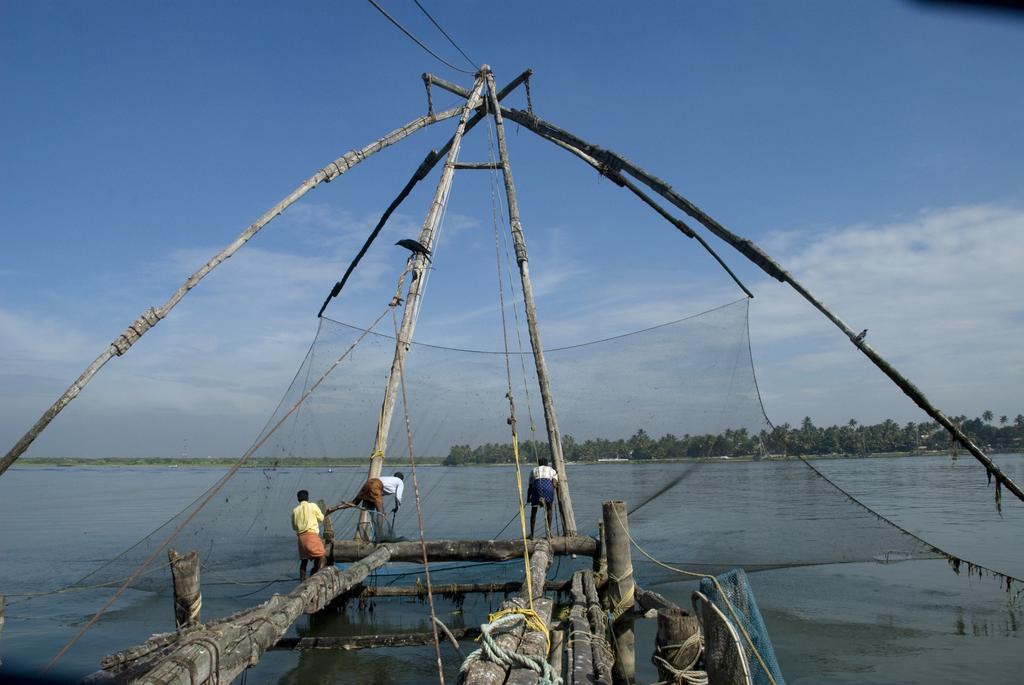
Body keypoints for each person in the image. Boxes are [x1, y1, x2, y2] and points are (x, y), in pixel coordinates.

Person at [327, 472, 405, 540]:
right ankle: (380, 535)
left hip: (369, 483)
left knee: (354, 502)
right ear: (401, 479)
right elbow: (398, 497)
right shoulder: (400, 482)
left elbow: (377, 494)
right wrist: (397, 507)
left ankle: (333, 508)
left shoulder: (389, 479)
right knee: (381, 513)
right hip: (376, 485)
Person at [291, 490, 325, 581]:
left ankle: (302, 580)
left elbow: (294, 527)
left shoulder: (295, 510)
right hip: (312, 536)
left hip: (301, 538)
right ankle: (318, 578)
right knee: (321, 555)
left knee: (304, 560)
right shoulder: (313, 506)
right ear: (308, 498)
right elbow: (321, 518)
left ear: (298, 499)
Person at [527, 458, 558, 539]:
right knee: (549, 509)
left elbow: (530, 486)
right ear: (547, 464)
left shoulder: (533, 470)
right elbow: (554, 483)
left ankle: (532, 535)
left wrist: (528, 498)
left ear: (539, 464)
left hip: (537, 488)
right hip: (548, 487)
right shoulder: (551, 470)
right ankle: (549, 533)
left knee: (534, 512)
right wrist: (553, 487)